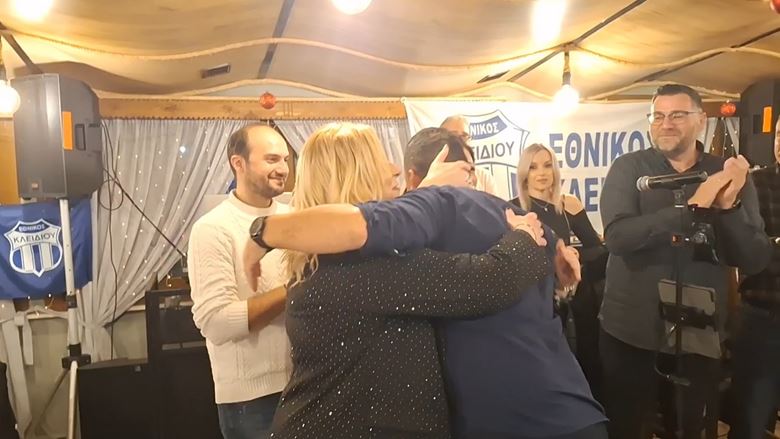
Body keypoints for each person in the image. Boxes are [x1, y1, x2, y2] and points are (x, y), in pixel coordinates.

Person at [250, 125, 604, 438]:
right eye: (379, 160)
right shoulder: (362, 266)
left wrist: (430, 192)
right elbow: (488, 282)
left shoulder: (329, 261)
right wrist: (527, 237)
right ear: (354, 174)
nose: (392, 170)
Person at [599, 84, 771, 439]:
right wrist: (692, 208)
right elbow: (617, 237)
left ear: (701, 120)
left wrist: (729, 208)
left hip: (698, 334)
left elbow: (753, 258)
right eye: (658, 116)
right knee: (626, 427)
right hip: (632, 331)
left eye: (677, 115)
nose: (666, 124)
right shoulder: (630, 169)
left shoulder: (725, 174)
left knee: (692, 429)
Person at [187, 124, 292, 439]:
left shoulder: (295, 218)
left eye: (285, 160)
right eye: (272, 159)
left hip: (304, 384)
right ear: (238, 163)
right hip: (252, 403)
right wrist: (293, 290)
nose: (283, 169)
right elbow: (216, 323)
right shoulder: (212, 228)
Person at [511, 142, 607, 400]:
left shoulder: (568, 205)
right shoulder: (513, 209)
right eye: (533, 167)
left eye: (547, 165)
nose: (541, 173)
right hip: (536, 301)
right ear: (524, 173)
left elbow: (598, 250)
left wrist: (573, 257)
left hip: (574, 298)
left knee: (586, 361)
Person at [728, 117, 780, 439]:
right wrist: (769, 248)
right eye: (779, 134)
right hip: (764, 317)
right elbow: (752, 255)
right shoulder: (756, 184)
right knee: (750, 418)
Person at [440, 115, 498, 195]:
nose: (460, 140)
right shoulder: (432, 175)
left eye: (464, 136)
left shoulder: (484, 177)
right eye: (453, 136)